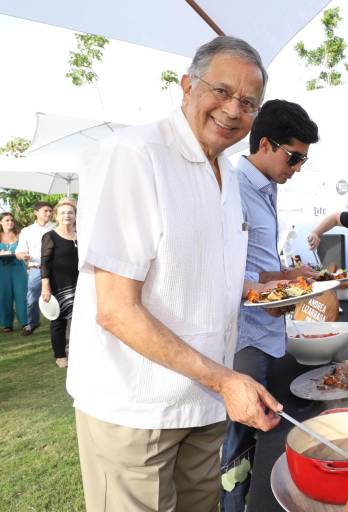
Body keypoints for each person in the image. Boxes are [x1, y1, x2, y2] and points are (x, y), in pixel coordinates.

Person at [66, 36, 284, 512]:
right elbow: (116, 310)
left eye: (248, 103)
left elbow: (202, 275)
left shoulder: (224, 172)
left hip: (203, 406)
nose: (233, 110)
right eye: (221, 91)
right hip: (136, 407)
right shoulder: (134, 154)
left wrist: (260, 292)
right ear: (187, 86)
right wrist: (226, 381)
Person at [220, 99, 319, 511]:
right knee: (237, 440)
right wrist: (272, 291)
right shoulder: (231, 186)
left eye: (302, 161)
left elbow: (255, 262)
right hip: (244, 336)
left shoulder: (267, 186)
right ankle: (231, 505)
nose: (297, 168)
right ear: (265, 144)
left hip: (268, 332)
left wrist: (290, 277)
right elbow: (224, 270)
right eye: (293, 157)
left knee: (258, 436)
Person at [40, 198, 79, 368]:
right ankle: (60, 355)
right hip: (59, 285)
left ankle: (78, 351)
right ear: (56, 216)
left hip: (80, 284)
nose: (67, 215)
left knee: (80, 319)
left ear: (75, 215)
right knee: (59, 321)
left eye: (70, 212)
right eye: (63, 212)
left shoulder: (80, 236)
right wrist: (45, 287)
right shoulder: (50, 236)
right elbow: (45, 264)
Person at [15, 201, 53, 335]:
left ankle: (60, 324)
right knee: (31, 300)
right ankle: (32, 324)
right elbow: (19, 251)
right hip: (36, 269)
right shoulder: (27, 231)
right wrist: (22, 255)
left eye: (50, 211)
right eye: (45, 211)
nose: (49, 213)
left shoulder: (56, 228)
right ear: (36, 212)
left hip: (55, 269)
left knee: (59, 297)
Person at [0, 212, 28, 331]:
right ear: (1, 222)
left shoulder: (20, 235)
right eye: (7, 220)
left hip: (18, 269)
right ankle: (7, 324)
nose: (10, 222)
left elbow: (26, 250)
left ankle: (25, 322)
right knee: (4, 296)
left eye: (12, 220)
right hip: (2, 270)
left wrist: (24, 255)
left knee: (21, 295)